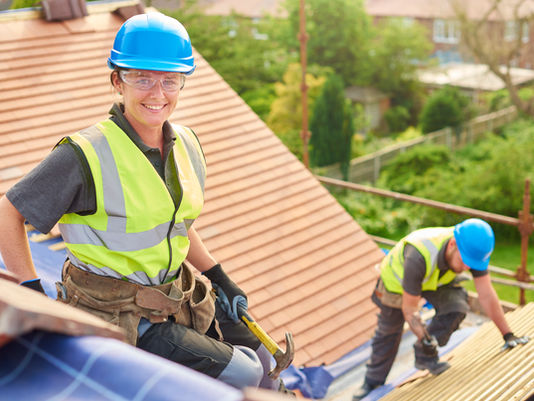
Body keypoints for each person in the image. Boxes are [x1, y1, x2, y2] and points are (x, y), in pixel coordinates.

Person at [0, 12, 289, 393]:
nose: (158, 93)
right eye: (142, 79)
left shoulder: (185, 144)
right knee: (246, 372)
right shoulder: (84, 154)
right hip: (119, 311)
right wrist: (33, 288)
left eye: (169, 80)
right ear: (117, 81)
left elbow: (177, 225)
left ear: (182, 83)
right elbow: (8, 212)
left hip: (175, 296)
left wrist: (218, 276)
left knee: (265, 362)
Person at [353, 218, 529, 400]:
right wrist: (424, 336)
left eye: (472, 264)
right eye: (465, 262)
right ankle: (372, 382)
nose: (467, 268)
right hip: (396, 285)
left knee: (457, 306)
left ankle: (426, 357)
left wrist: (508, 334)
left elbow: (486, 295)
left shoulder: (470, 249)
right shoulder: (419, 254)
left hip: (434, 280)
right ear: (452, 244)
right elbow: (410, 310)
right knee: (389, 332)